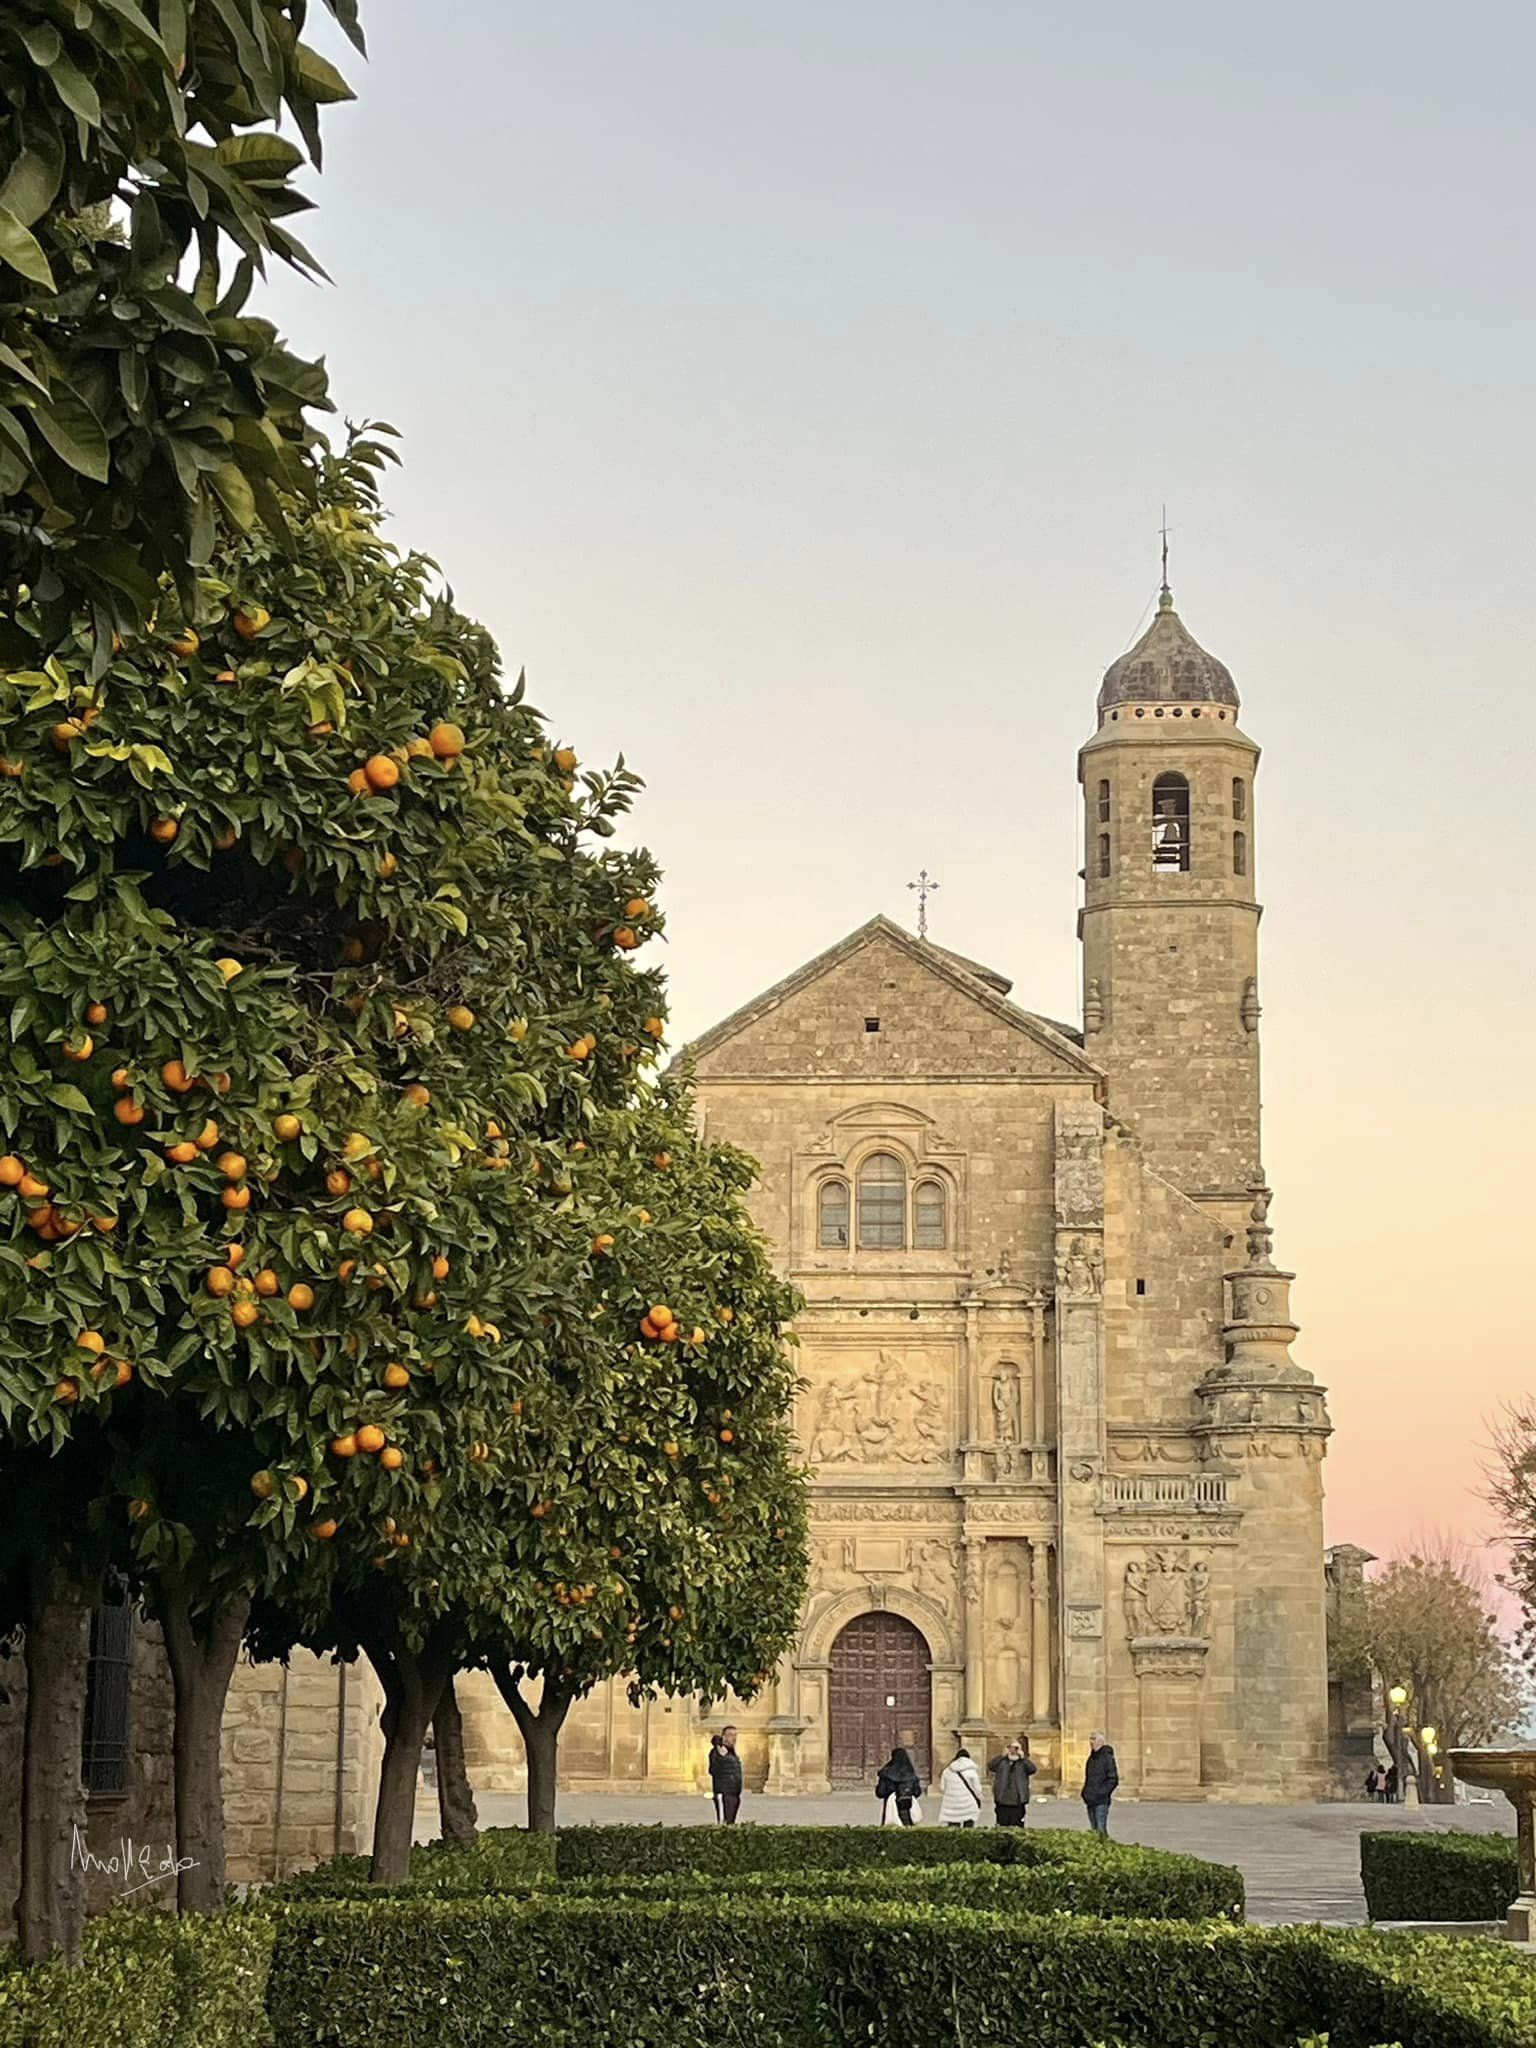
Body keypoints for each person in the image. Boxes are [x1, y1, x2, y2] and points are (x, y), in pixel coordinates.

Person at [990, 1736, 1037, 1828]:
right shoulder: (1002, 1761)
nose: (1013, 1751)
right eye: (1011, 1748)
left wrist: (1023, 1757)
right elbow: (991, 1766)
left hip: (1018, 1800)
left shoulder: (1023, 1763)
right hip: (1002, 1799)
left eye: (1016, 1748)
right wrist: (1002, 1755)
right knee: (1002, 1824)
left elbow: (1033, 1769)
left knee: (1018, 1825)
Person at [876, 1743, 923, 1826]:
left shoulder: (886, 1773)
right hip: (908, 1808)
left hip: (890, 1809)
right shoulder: (911, 1775)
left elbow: (880, 1793)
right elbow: (917, 1792)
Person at [1082, 1730, 1119, 1835]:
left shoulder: (1107, 1757)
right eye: (1090, 1739)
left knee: (1100, 1828)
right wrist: (1085, 1793)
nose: (1091, 1741)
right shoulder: (1092, 1758)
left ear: (1101, 1742)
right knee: (1094, 1829)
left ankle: (1104, 1849)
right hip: (1090, 1799)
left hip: (1101, 1800)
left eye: (1094, 1739)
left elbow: (1113, 1779)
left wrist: (1101, 1792)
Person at [939, 1744, 984, 1827]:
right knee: (968, 1826)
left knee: (953, 1827)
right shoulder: (971, 1771)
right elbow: (977, 1789)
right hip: (968, 1803)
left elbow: (942, 1788)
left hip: (951, 1804)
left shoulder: (947, 1771)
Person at [708, 1725, 743, 1824]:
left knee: (731, 1823)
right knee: (723, 1823)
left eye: (735, 1735)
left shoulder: (732, 1753)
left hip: (734, 1794)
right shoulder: (716, 1752)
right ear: (724, 1737)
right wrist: (721, 1755)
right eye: (731, 1735)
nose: (734, 1738)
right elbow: (712, 1770)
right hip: (723, 1794)